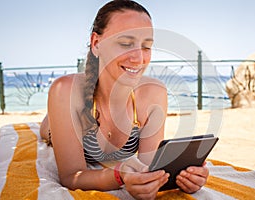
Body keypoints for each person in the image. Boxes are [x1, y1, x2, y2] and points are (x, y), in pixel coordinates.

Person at [40, 0, 209, 199]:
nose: (139, 58)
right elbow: (70, 176)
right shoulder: (65, 92)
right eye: (125, 44)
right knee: (46, 127)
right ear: (96, 44)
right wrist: (119, 176)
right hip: (51, 127)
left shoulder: (153, 94)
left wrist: (181, 178)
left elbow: (148, 167)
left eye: (146, 46)